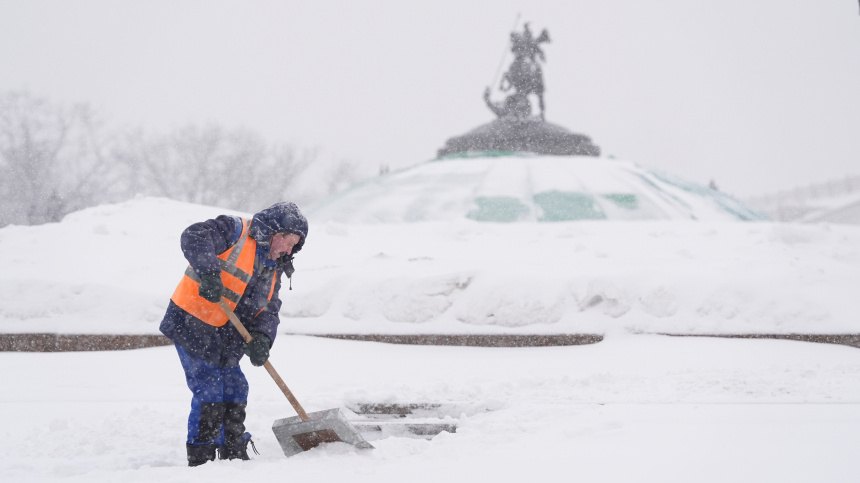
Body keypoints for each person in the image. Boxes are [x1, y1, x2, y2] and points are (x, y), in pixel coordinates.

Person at [159, 201, 309, 467]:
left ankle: (232, 449)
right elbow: (194, 235)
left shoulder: (273, 267)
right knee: (209, 389)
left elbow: (269, 308)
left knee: (236, 386)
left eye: (295, 245)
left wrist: (263, 337)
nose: (290, 249)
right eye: (288, 241)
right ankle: (202, 456)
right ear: (274, 232)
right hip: (193, 323)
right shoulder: (236, 230)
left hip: (227, 337)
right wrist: (209, 272)